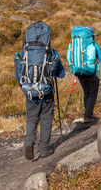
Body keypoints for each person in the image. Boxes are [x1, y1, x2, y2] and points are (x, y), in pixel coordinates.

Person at [14, 21, 65, 160]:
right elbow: (61, 74)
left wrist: (26, 86)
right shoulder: (51, 53)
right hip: (47, 92)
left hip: (30, 94)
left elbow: (18, 75)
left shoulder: (24, 53)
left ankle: (28, 143)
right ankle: (43, 149)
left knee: (32, 118)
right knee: (46, 118)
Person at [76, 29, 101, 124]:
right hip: (91, 73)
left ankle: (87, 114)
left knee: (86, 92)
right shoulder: (94, 46)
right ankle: (88, 116)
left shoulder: (77, 46)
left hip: (80, 73)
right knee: (92, 94)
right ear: (92, 36)